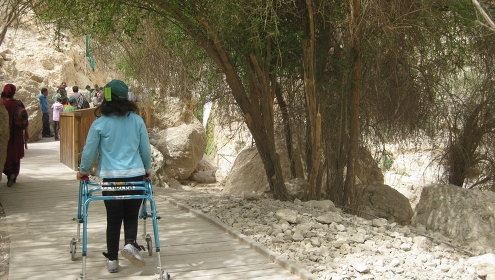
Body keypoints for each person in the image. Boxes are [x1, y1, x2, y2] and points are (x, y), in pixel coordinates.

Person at [76, 79, 151, 273]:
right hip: (135, 175)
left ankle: (112, 260)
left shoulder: (100, 123)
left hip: (110, 178)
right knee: (131, 215)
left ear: (106, 99)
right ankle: (130, 245)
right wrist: (147, 169)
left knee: (114, 217)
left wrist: (83, 171)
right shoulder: (137, 120)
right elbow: (145, 149)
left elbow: (89, 151)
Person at [2, 84, 29, 187]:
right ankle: (13, 175)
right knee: (15, 155)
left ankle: (8, 173)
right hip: (17, 134)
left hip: (4, 135)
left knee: (5, 155)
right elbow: (24, 119)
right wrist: (26, 132)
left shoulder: (2, 103)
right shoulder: (19, 103)